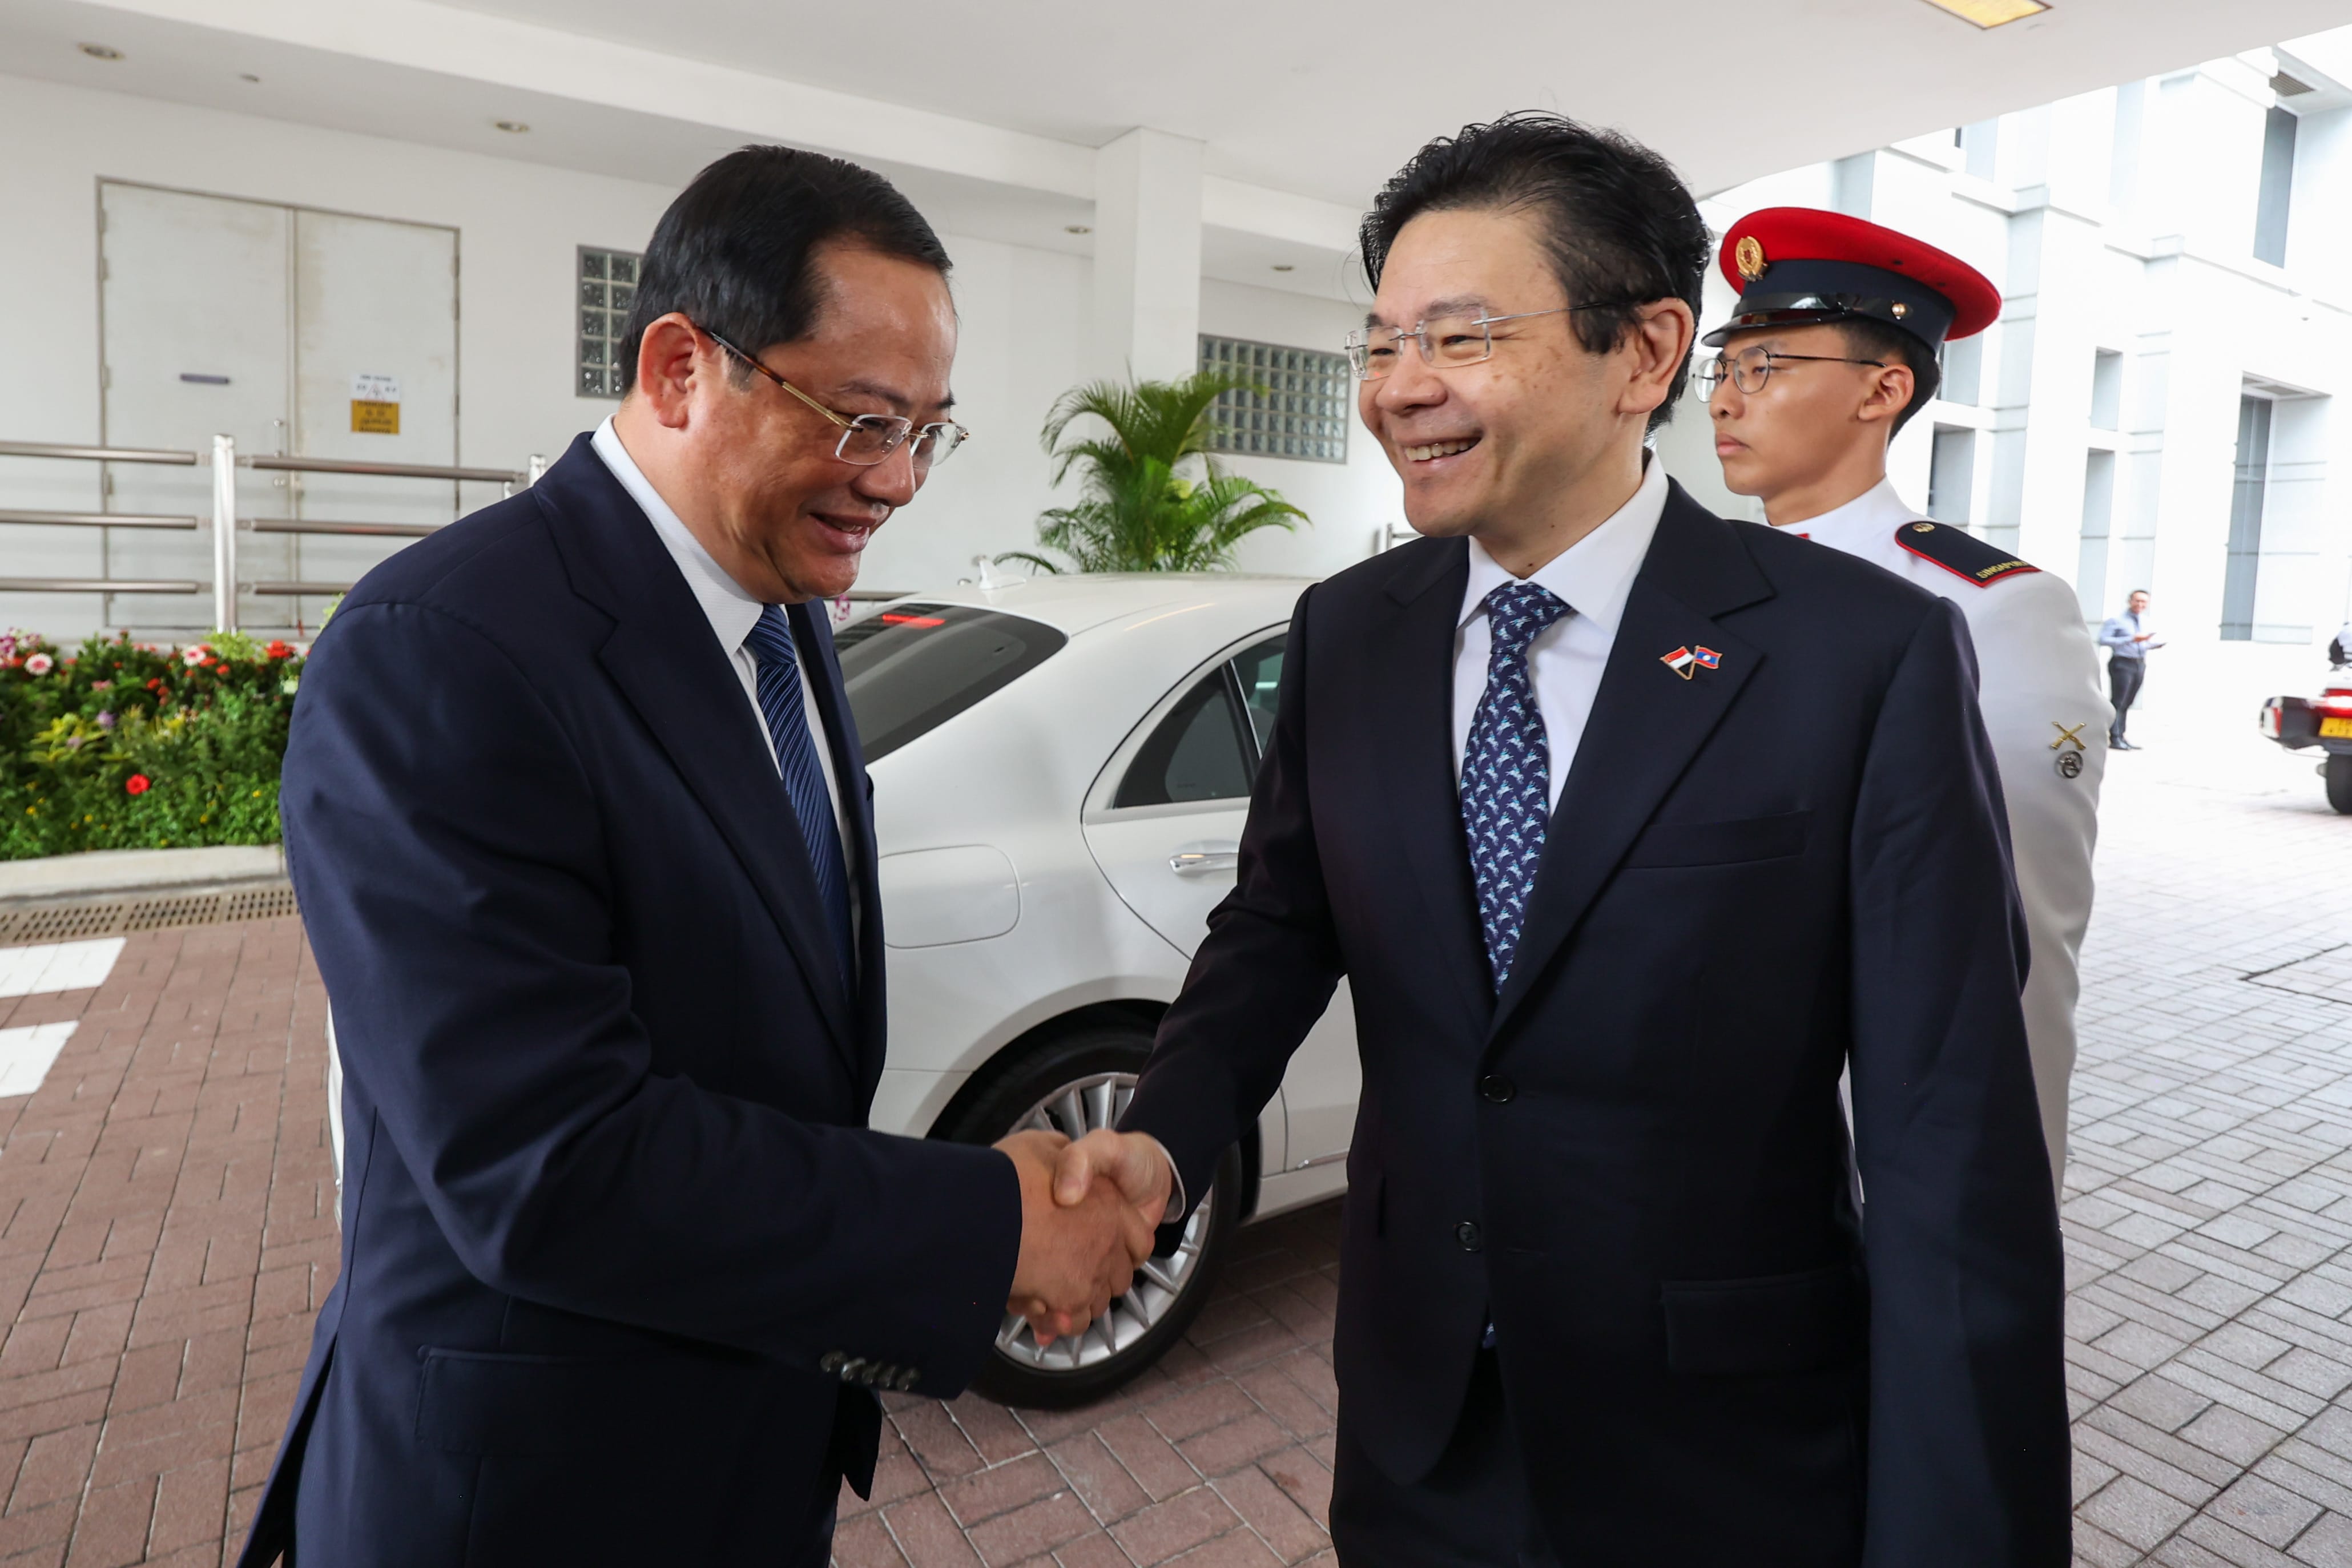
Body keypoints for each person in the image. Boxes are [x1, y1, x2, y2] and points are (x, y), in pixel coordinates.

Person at [1054, 114, 2068, 1566]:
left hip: (1722, 1446)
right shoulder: (1351, 631)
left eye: (1459, 337)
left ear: (1645, 354)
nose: (1401, 390)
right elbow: (1280, 927)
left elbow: (1945, 1142)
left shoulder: (1861, 656)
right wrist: (1162, 1139)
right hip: (1419, 1425)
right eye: (1380, 342)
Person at [235, 147, 1153, 1568]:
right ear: (679, 368)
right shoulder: (446, 650)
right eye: (859, 419)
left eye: (927, 429)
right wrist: (986, 1227)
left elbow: (747, 1049)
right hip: (525, 1498)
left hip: (732, 1447)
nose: (897, 479)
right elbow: (545, 1162)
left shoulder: (778, 611)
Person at [1700, 205, 2107, 1195]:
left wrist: (1984, 1200)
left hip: (1845, 1137)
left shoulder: (1990, 607)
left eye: (1766, 367)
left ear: (1883, 389)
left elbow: (2019, 941)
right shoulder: (1691, 589)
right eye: (1723, 369)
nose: (1723, 400)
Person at [2100, 589, 2161, 747]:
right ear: (2130, 601)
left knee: (2128, 701)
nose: (2140, 605)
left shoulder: (2145, 621)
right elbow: (2103, 639)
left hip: (2139, 663)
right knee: (2119, 701)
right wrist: (2131, 639)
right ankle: (2114, 738)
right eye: (2137, 601)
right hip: (2122, 663)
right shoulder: (2117, 620)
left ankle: (2122, 736)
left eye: (2144, 602)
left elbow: (2143, 643)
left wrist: (2153, 645)